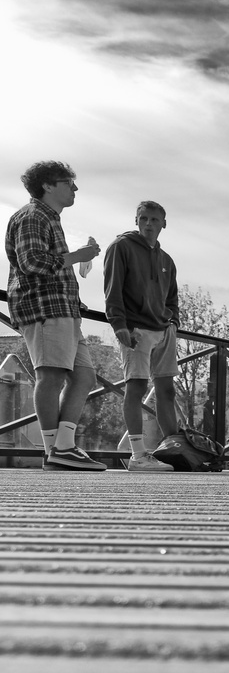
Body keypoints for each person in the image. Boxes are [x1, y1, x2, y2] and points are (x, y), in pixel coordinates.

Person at [4, 161, 104, 471]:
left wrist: (75, 299)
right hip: (44, 308)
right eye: (68, 182)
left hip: (62, 308)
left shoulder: (48, 218)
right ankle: (56, 450)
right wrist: (78, 257)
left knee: (84, 376)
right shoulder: (32, 216)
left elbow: (46, 267)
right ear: (48, 186)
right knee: (51, 375)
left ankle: (63, 447)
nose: (74, 188)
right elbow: (32, 263)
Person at [103, 200, 183, 472]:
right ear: (136, 220)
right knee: (135, 388)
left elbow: (172, 298)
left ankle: (175, 451)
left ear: (164, 223)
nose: (149, 224)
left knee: (167, 391)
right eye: (144, 219)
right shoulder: (120, 248)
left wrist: (173, 322)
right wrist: (119, 325)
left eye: (154, 220)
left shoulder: (166, 260)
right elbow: (112, 289)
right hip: (136, 328)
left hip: (164, 331)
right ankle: (138, 455)